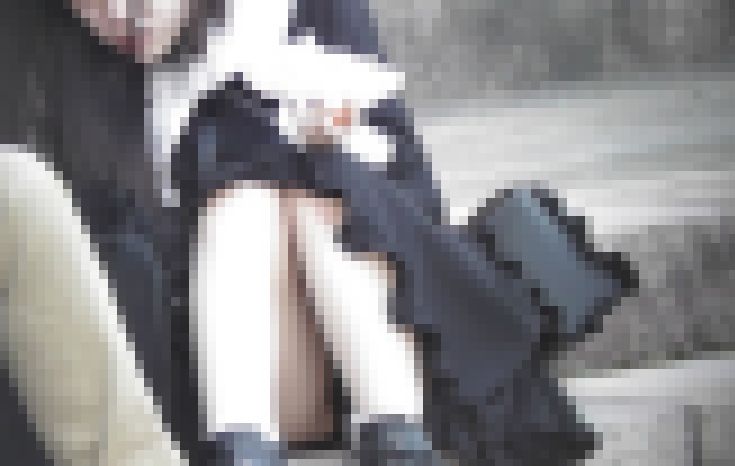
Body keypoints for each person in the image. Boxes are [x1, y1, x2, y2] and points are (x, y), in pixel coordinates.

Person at [0, 1, 636, 465]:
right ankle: (265, 441)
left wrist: (334, 143)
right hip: (213, 353)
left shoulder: (305, 12)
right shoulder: (52, 57)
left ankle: (393, 434)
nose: (119, 15)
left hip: (358, 326)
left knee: (315, 180)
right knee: (245, 195)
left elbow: (416, 207)